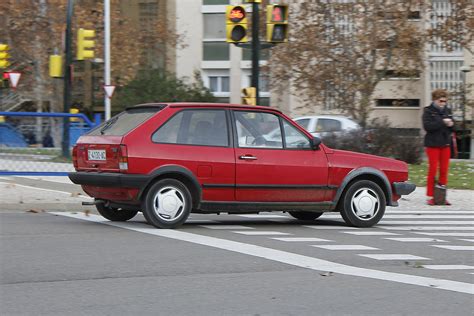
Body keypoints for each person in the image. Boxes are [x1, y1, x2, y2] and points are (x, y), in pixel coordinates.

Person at [422, 89, 455, 205]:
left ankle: (441, 196)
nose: (443, 103)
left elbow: (452, 128)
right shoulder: (428, 111)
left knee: (444, 170)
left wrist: (451, 125)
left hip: (445, 144)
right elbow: (428, 127)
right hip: (432, 145)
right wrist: (442, 122)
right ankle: (432, 196)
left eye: (445, 101)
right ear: (435, 100)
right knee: (433, 170)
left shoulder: (448, 110)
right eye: (441, 101)